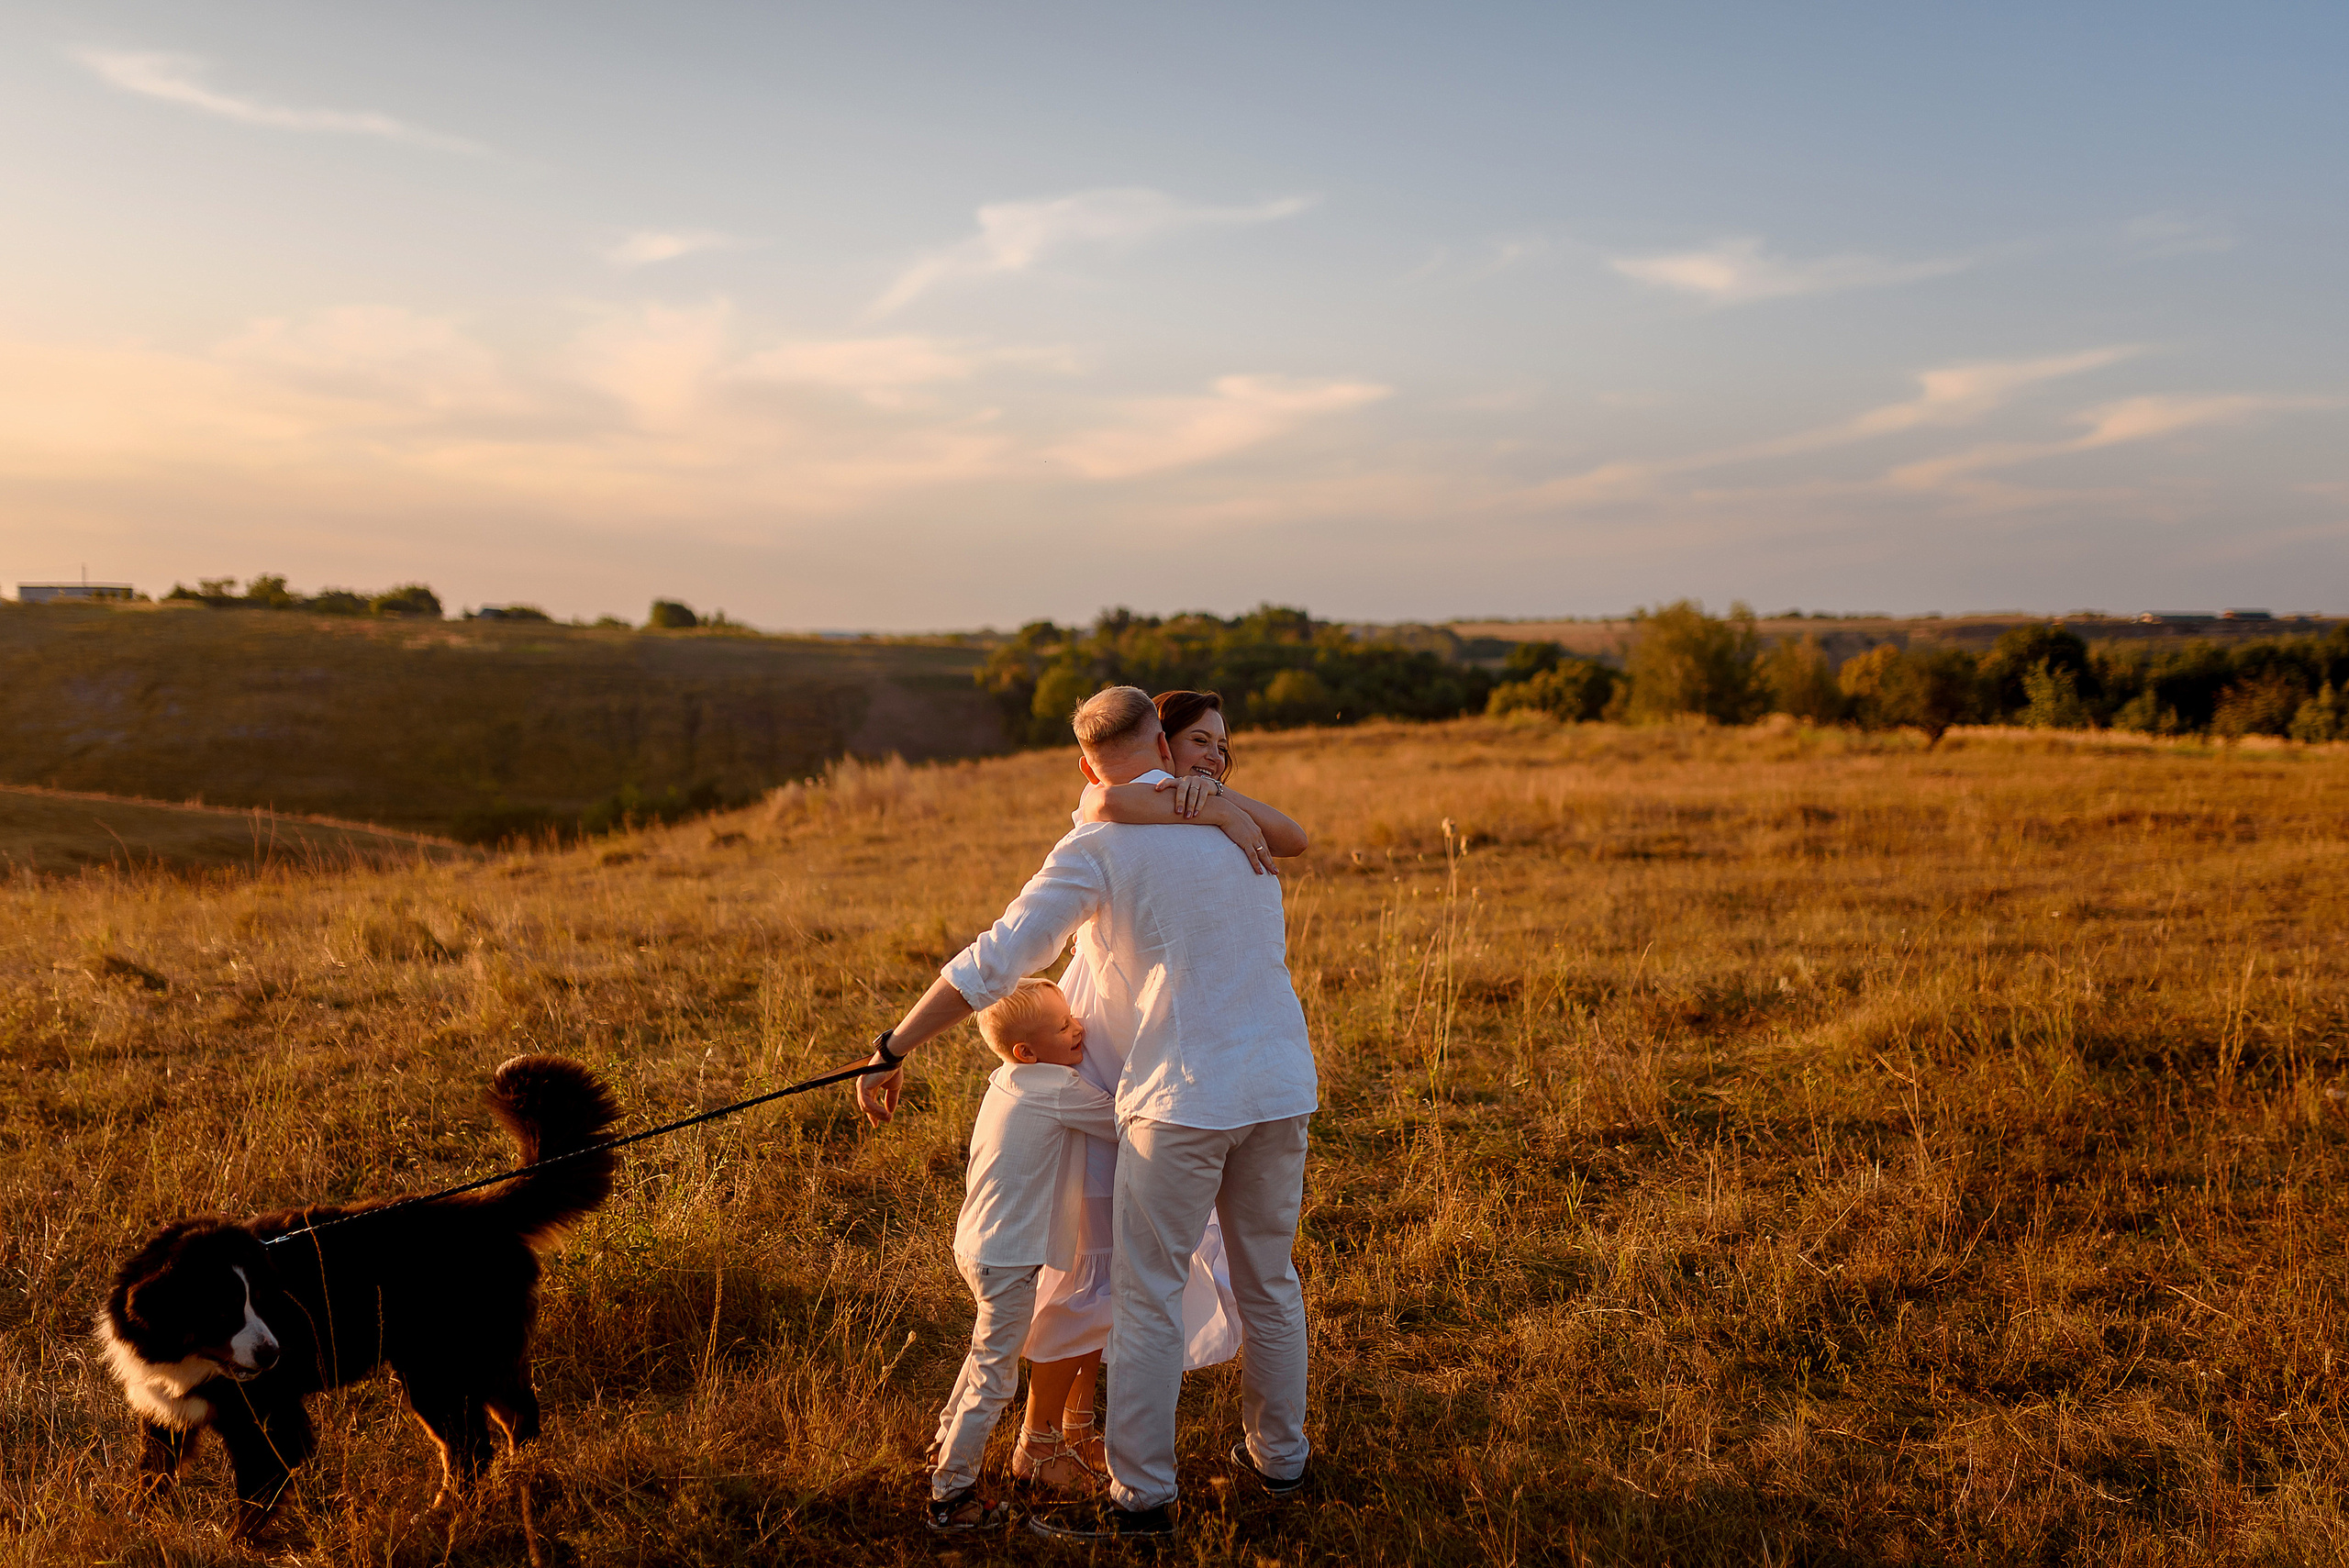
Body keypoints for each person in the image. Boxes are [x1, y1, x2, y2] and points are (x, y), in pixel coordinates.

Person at [860, 686, 1318, 1546]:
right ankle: (1281, 1461)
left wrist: (894, 1043)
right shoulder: (1236, 829)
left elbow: (999, 958)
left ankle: (1142, 1498)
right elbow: (1287, 835)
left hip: (1181, 1100)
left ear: (1083, 765)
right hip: (1281, 1084)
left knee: (1146, 1296)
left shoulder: (1099, 846)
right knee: (1271, 1280)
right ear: (1165, 741)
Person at [924, 977, 1117, 1532]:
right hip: (1007, 1257)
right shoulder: (1057, 1087)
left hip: (979, 1244)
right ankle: (950, 1496)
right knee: (995, 1377)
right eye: (1063, 1026)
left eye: (1072, 1016)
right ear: (1026, 1052)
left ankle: (943, 1443)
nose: (1078, 1027)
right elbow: (1121, 1122)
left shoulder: (1006, 1080)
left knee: (982, 1355)